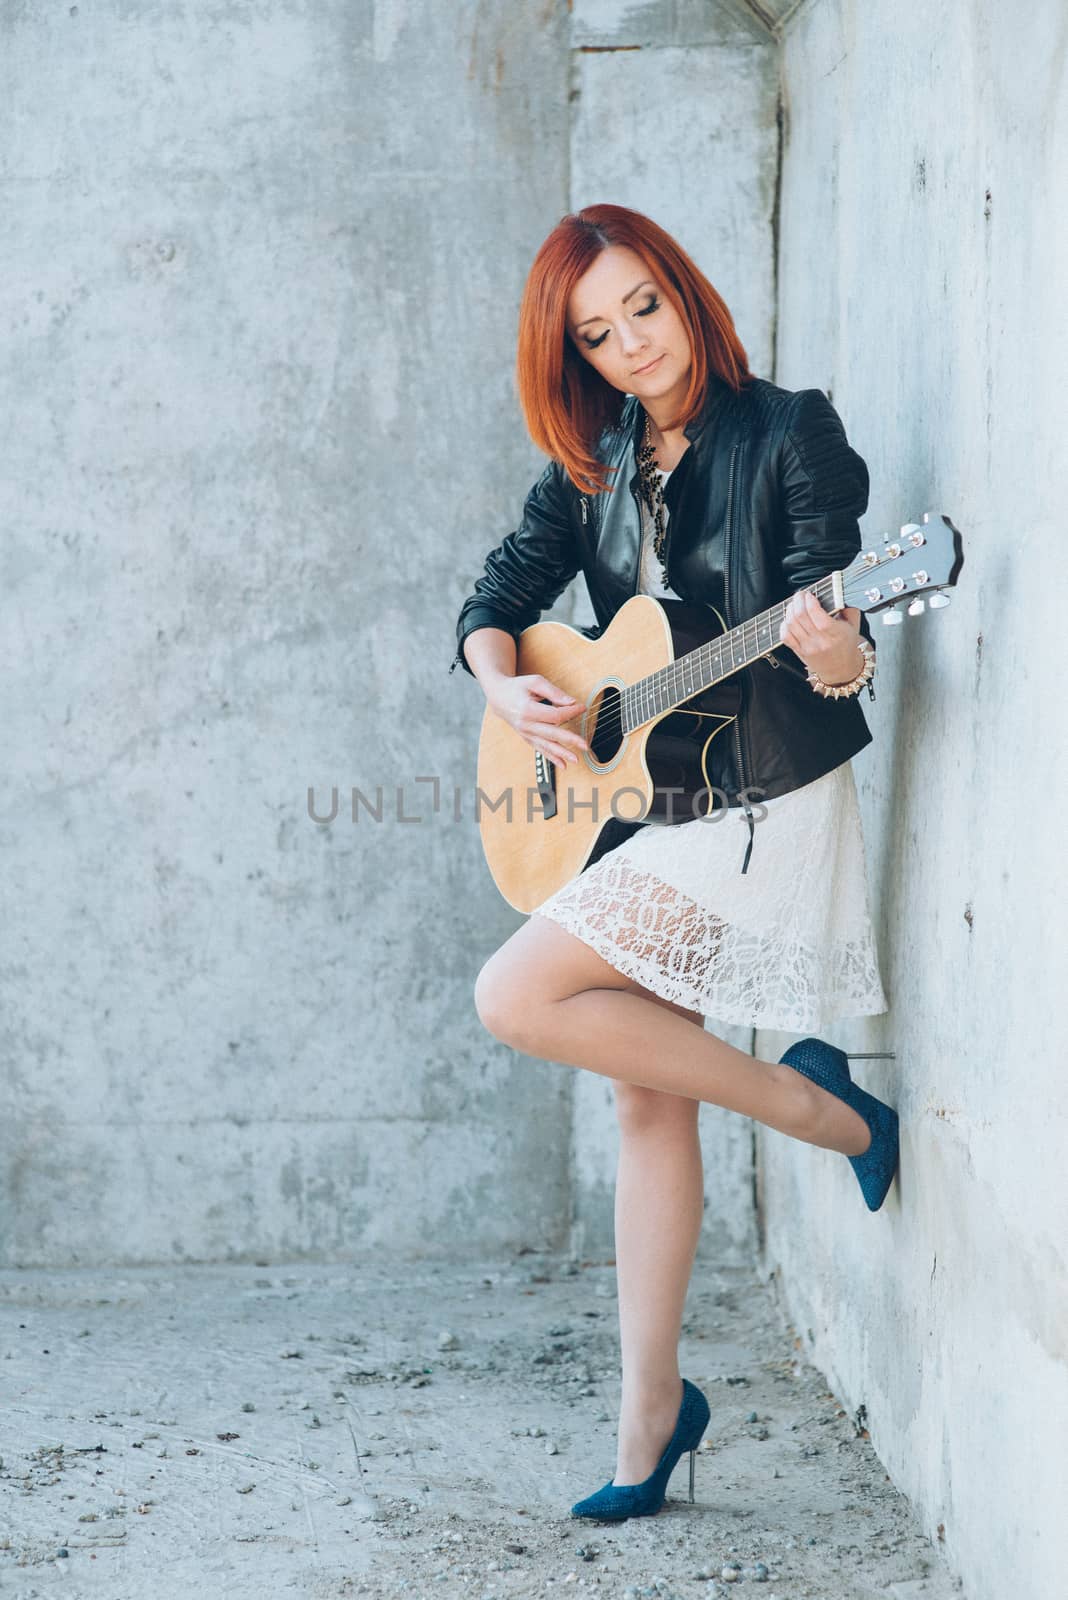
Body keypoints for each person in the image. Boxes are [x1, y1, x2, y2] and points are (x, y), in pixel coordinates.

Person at [450, 203, 898, 1522]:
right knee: (646, 1102)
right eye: (599, 331)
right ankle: (654, 1419)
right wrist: (502, 687)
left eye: (644, 304)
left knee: (517, 997)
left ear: (683, 289)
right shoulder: (595, 457)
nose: (634, 344)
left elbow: (837, 625)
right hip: (638, 797)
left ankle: (827, 1112)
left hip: (760, 795)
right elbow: (498, 597)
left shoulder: (788, 431)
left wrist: (836, 644)